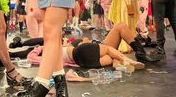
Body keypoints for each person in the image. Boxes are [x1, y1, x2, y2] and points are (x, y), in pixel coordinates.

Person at [9, 23, 158, 68]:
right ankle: (121, 61)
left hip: (98, 47)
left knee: (121, 27)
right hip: (91, 52)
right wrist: (19, 46)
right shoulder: (56, 46)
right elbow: (37, 43)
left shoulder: (67, 41)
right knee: (109, 55)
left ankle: (140, 53)